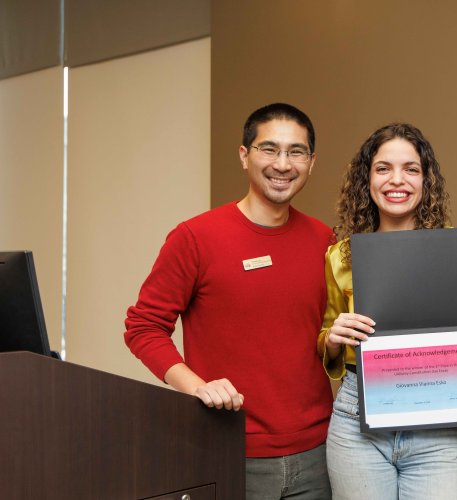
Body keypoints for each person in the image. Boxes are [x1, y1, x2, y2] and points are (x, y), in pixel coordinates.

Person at [125, 103, 335, 499]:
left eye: (296, 152)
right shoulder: (194, 238)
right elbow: (143, 327)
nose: (282, 164)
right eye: (268, 149)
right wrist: (195, 385)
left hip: (318, 454)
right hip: (228, 448)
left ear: (311, 163)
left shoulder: (325, 241)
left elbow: (327, 334)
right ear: (244, 156)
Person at [317, 123, 457, 500]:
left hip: (436, 419)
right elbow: (326, 340)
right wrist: (333, 339)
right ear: (367, 179)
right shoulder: (340, 256)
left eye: (411, 168)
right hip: (357, 417)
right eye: (383, 168)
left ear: (426, 180)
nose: (397, 180)